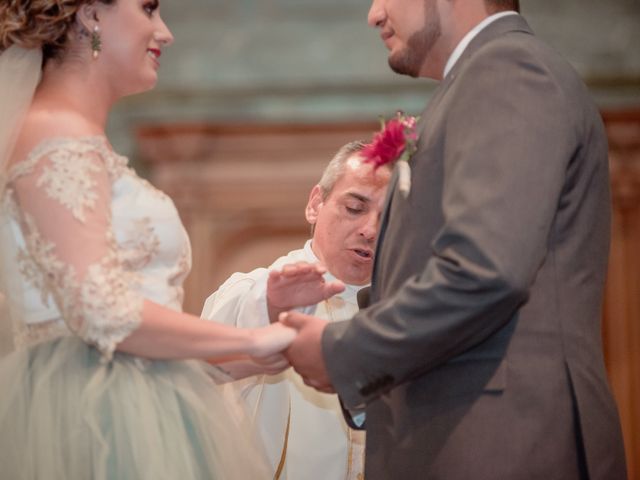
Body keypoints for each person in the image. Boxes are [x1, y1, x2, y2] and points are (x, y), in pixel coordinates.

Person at [282, 0, 628, 479]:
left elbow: (485, 271)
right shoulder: (477, 82)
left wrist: (344, 351)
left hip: (504, 445)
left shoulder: (508, 69)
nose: (374, 14)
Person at [0, 1, 316, 478]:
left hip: (135, 411)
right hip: (92, 427)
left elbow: (132, 343)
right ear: (90, 14)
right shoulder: (55, 135)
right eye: (148, 9)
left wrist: (246, 358)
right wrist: (250, 336)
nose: (164, 33)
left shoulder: (81, 139)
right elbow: (102, 313)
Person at [201, 140, 391, 480]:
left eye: (387, 216)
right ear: (316, 204)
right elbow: (208, 356)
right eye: (355, 207)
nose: (370, 230)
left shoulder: (403, 313)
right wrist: (273, 307)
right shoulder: (254, 289)